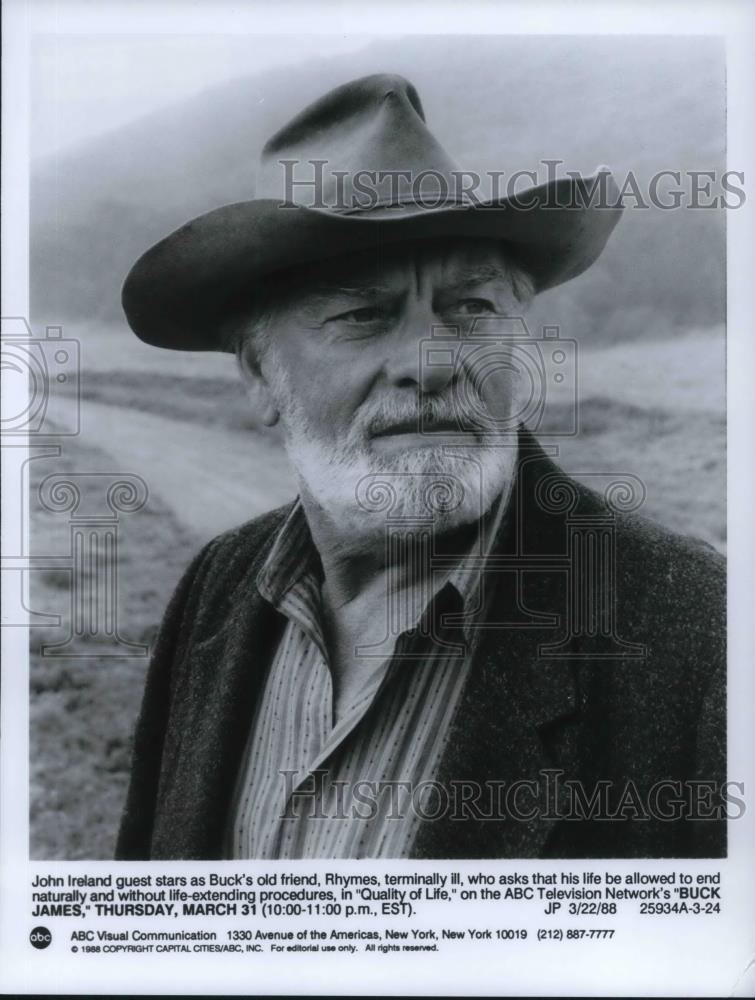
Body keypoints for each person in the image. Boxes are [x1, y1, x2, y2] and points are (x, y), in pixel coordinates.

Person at [116, 74, 725, 860]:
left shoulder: (699, 639)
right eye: (360, 316)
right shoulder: (216, 590)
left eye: (470, 308)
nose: (430, 364)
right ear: (259, 376)